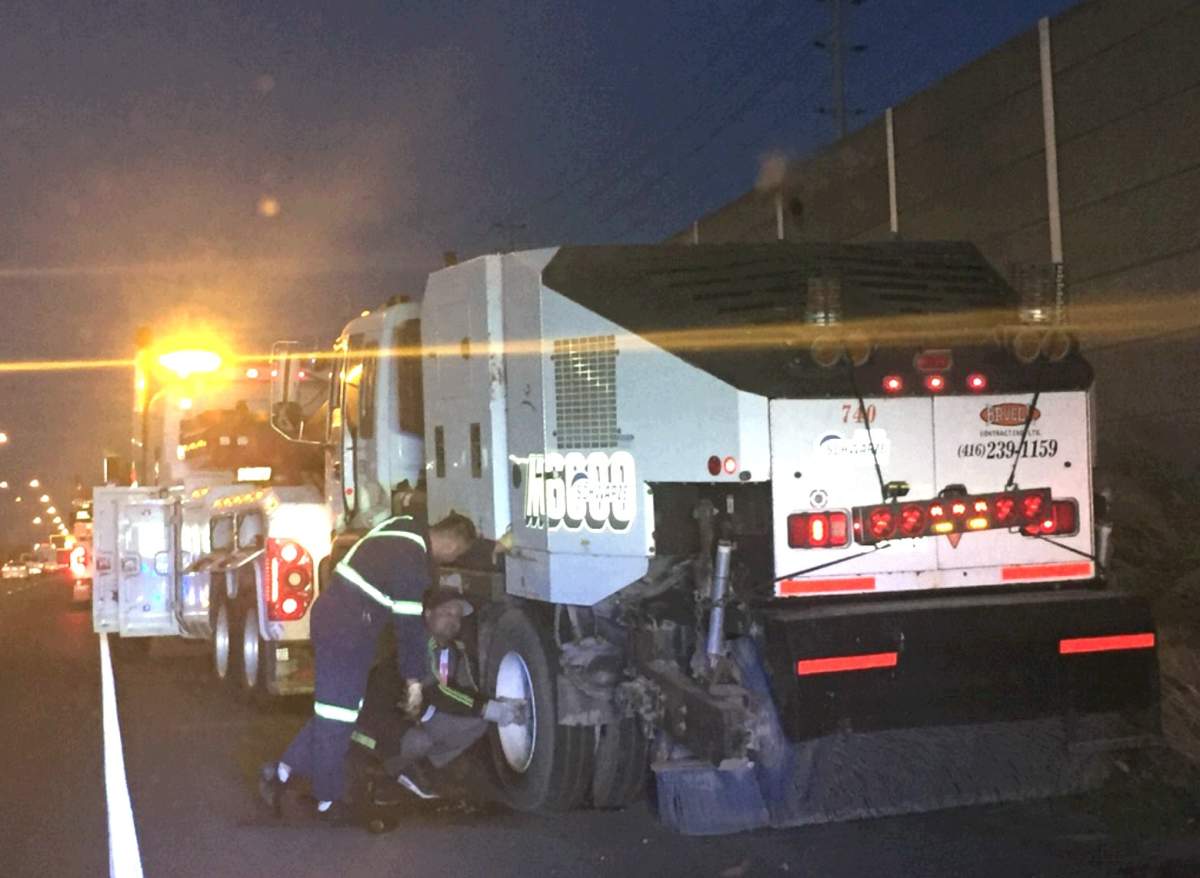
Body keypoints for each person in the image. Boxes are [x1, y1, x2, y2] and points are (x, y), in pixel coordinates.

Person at [259, 511, 477, 824]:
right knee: (338, 717)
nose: (451, 558)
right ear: (452, 541)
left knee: (336, 712)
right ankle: (327, 799)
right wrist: (414, 680)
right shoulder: (412, 561)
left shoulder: (403, 525)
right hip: (346, 630)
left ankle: (280, 772)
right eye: (457, 553)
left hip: (342, 625)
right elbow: (408, 625)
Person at [384, 585, 526, 800]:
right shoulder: (419, 643)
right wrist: (488, 707)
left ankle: (429, 766)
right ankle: (391, 769)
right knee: (421, 740)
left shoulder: (450, 651)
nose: (454, 621)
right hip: (391, 721)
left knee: (478, 722)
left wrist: (492, 704)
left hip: (422, 717)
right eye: (447, 613)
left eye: (458, 616)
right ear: (428, 613)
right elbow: (437, 692)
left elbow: (459, 692)